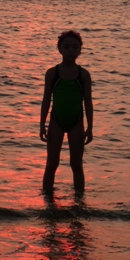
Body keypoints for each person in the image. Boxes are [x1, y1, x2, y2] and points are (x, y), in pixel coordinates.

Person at [40, 30, 93, 194]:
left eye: (75, 47)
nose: (71, 50)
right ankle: (47, 200)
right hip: (56, 121)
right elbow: (46, 100)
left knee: (76, 165)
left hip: (76, 122)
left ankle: (79, 201)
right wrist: (42, 125)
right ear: (59, 49)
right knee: (51, 164)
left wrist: (90, 128)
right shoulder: (52, 73)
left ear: (80, 51)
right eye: (67, 46)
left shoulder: (83, 75)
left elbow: (88, 102)